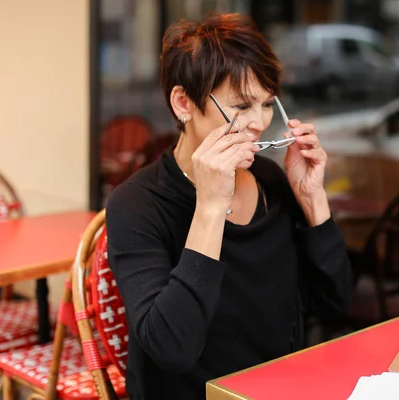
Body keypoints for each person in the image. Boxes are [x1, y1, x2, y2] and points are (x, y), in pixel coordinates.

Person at [105, 13, 352, 399]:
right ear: (184, 102)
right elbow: (171, 349)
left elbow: (335, 306)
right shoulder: (137, 204)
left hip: (279, 388)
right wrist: (209, 207)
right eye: (240, 106)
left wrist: (312, 199)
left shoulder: (271, 181)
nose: (258, 123)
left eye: (267, 104)